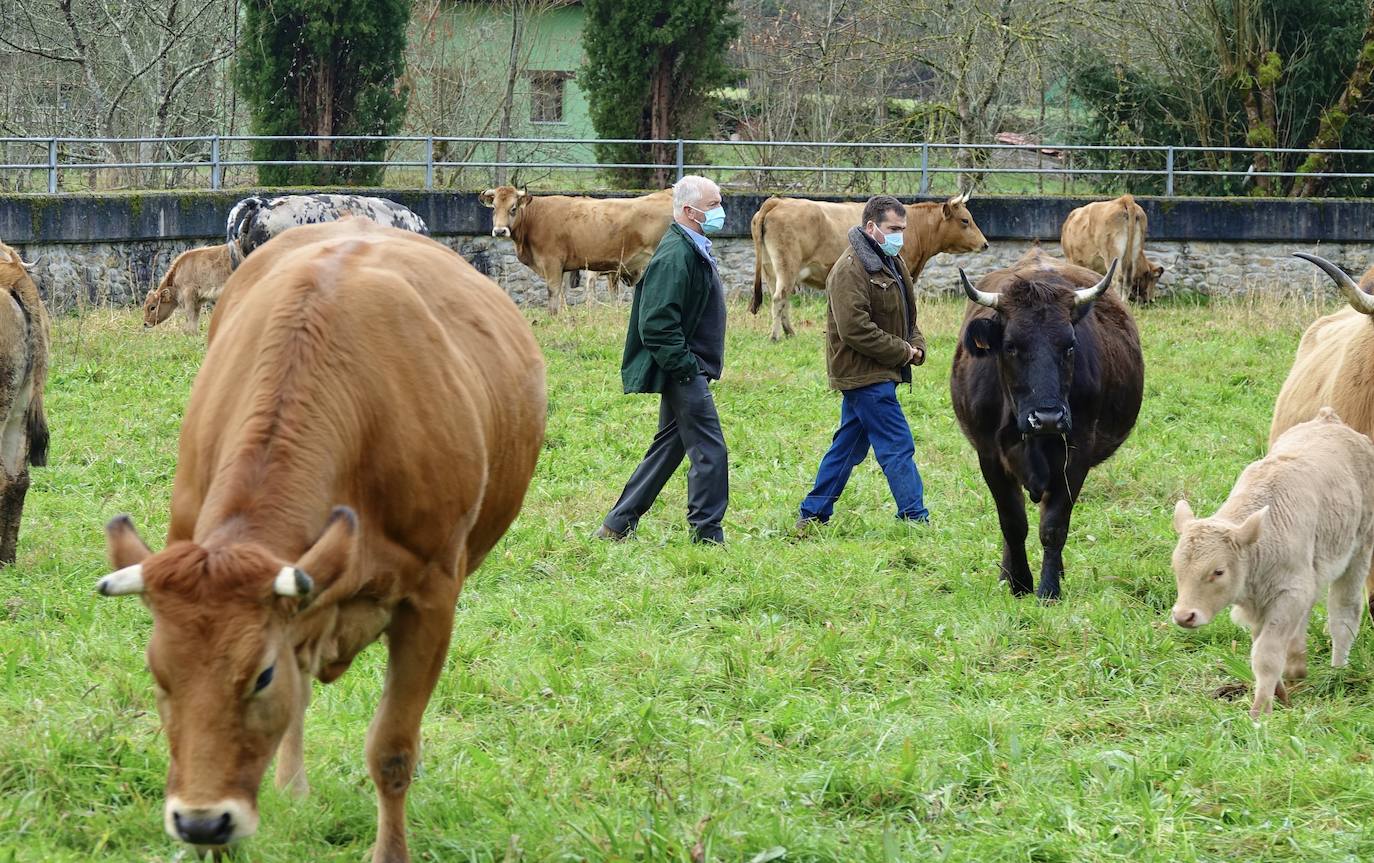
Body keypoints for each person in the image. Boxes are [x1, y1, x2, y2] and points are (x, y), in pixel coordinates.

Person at [596, 174, 729, 545]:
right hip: (684, 370)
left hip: (687, 366)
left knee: (670, 446)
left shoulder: (692, 246)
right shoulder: (676, 255)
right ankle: (707, 535)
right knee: (710, 450)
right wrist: (686, 369)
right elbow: (655, 323)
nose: (722, 211)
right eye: (714, 205)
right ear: (689, 211)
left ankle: (616, 525)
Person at [796, 194, 930, 530]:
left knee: (848, 446)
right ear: (872, 227)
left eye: (903, 228)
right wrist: (903, 351)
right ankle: (915, 517)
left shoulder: (892, 262)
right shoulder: (850, 268)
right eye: (893, 228)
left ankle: (813, 513)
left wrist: (917, 343)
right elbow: (855, 329)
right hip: (863, 373)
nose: (900, 235)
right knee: (897, 444)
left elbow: (907, 313)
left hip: (878, 370)